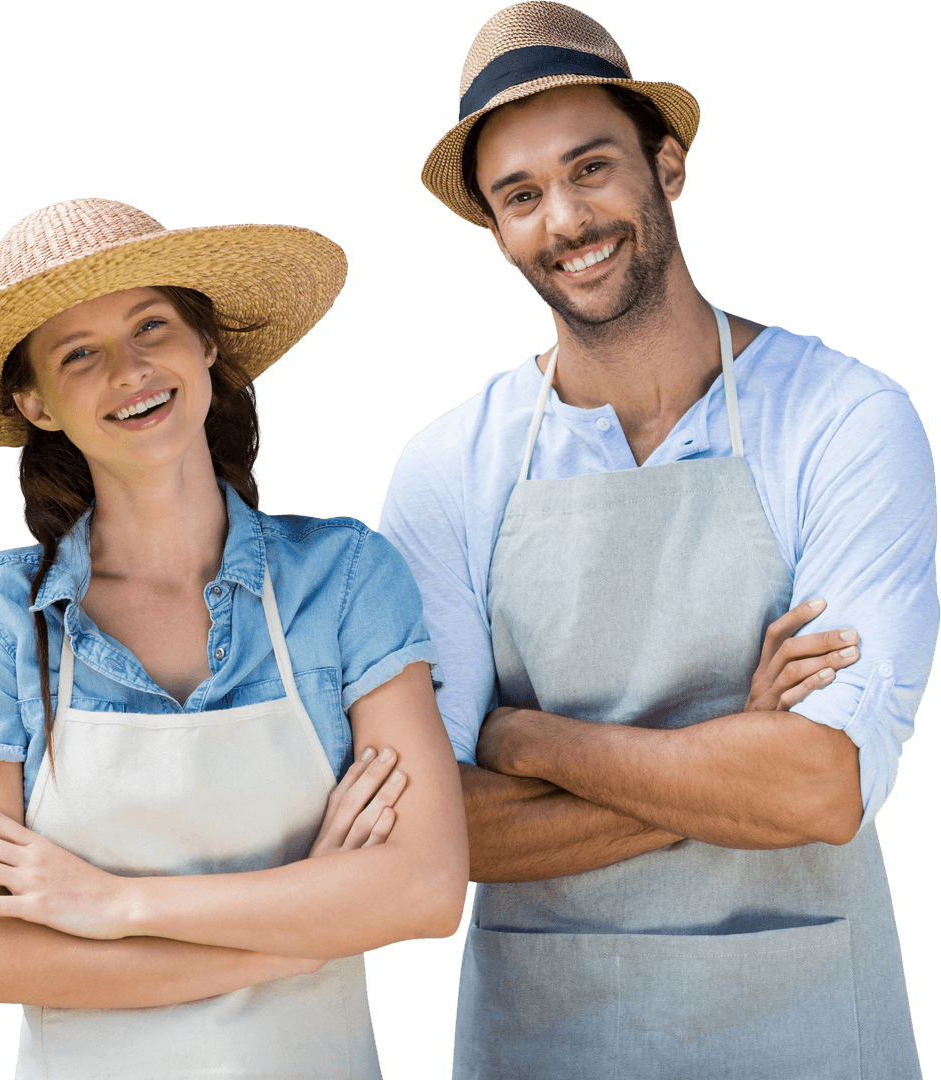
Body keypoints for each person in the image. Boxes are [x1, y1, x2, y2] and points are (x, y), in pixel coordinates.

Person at [378, 4, 937, 1078]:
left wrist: (521, 741)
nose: (565, 219)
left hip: (805, 1027)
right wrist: (736, 749)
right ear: (494, 231)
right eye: (521, 195)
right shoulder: (449, 467)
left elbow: (821, 790)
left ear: (666, 164)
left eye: (590, 167)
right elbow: (426, 837)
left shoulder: (844, 420)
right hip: (547, 1034)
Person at [0, 197, 470, 1080]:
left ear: (207, 345)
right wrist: (297, 941)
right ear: (35, 403)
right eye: (80, 354)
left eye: (152, 325)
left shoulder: (343, 577)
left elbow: (424, 890)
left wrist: (107, 903)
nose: (131, 369)